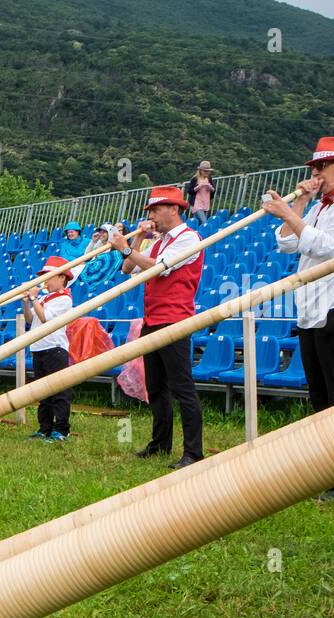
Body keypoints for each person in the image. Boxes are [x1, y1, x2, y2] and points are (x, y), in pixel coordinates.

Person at [262, 136, 334, 503]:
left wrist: (291, 215)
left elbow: (329, 247)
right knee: (321, 398)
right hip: (314, 308)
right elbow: (286, 242)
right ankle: (331, 475)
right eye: (314, 168)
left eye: (323, 167)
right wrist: (299, 203)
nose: (316, 173)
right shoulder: (318, 206)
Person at [109, 185, 204, 469]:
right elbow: (128, 269)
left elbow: (159, 268)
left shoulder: (188, 239)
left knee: (182, 387)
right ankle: (160, 443)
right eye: (149, 211)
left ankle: (193, 452)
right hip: (152, 319)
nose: (151, 215)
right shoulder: (160, 241)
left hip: (175, 319)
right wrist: (136, 239)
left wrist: (126, 248)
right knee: (156, 387)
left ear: (175, 209)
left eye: (155, 209)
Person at [23, 256, 75, 442]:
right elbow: (30, 320)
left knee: (58, 391)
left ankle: (61, 430)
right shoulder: (45, 298)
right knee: (42, 392)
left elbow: (45, 318)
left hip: (55, 348)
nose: (45, 280)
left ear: (62, 278)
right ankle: (44, 428)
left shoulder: (64, 299)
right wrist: (26, 302)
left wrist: (34, 297)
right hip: (38, 347)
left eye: (49, 275)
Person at [81, 224, 122, 292]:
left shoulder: (114, 246)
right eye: (100, 232)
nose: (101, 234)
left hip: (102, 272)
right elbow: (86, 256)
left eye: (104, 232)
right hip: (92, 269)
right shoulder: (99, 243)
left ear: (109, 233)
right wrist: (93, 241)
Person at [186, 161, 215, 228]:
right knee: (204, 222)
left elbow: (213, 190)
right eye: (205, 171)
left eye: (208, 171)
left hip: (205, 202)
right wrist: (199, 186)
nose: (207, 173)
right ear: (200, 171)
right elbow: (190, 191)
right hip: (197, 203)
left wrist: (210, 187)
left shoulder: (209, 178)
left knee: (197, 222)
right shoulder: (195, 179)